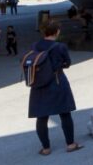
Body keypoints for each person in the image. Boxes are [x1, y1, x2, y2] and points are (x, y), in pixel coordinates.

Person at [27, 21, 82, 155]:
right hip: (57, 81)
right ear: (56, 32)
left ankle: (46, 148)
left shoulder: (35, 45)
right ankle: (70, 144)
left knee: (41, 116)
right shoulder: (60, 46)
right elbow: (67, 63)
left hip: (38, 84)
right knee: (65, 113)